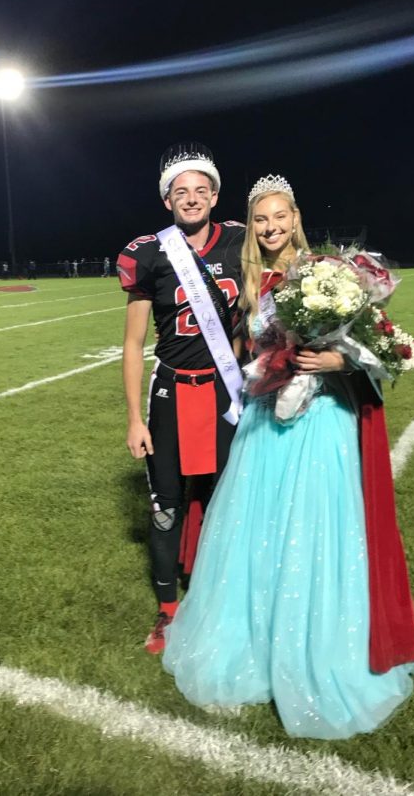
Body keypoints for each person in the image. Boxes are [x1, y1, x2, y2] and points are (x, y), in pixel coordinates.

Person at [163, 174, 414, 739]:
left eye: (279, 217)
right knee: (258, 528)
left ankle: (323, 642)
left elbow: (371, 342)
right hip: (267, 419)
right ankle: (254, 640)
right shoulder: (245, 278)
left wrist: (337, 365)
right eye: (261, 219)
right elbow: (244, 348)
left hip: (323, 421)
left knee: (317, 526)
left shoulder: (329, 272)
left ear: (295, 217)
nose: (270, 228)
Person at [117, 142, 245, 653]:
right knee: (166, 507)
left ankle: (219, 596)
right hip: (171, 391)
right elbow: (132, 342)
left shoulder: (240, 241)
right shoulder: (149, 251)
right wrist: (133, 418)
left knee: (222, 500)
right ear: (168, 201)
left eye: (200, 190)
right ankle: (167, 610)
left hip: (224, 392)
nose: (190, 199)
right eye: (180, 192)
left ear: (214, 195)